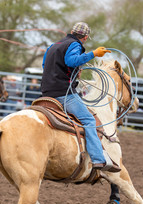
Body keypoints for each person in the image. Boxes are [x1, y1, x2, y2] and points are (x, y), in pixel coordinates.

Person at [41, 22, 119, 172]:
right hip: (63, 93)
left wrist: (72, 71)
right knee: (89, 119)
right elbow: (71, 61)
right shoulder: (74, 44)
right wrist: (93, 54)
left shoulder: (53, 46)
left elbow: (45, 65)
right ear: (85, 37)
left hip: (46, 93)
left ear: (71, 31)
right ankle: (98, 159)